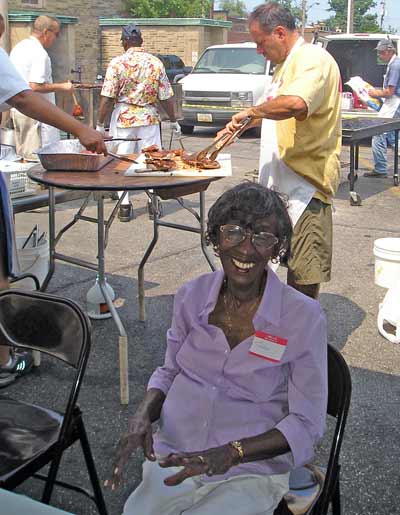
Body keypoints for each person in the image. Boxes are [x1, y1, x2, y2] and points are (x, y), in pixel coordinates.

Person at [105, 182, 327, 515]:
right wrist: (142, 416)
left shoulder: (303, 317)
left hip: (249, 472)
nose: (246, 250)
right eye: (233, 231)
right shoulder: (191, 296)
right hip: (176, 455)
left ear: (278, 248)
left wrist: (233, 452)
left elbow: (307, 422)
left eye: (263, 237)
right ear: (215, 236)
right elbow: (170, 371)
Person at [0, 13, 107, 387]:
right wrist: (81, 128)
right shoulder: (23, 53)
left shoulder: (17, 49)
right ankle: (3, 358)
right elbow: (24, 96)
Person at [221, 2, 341, 300]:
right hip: (278, 186)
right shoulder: (284, 67)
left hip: (306, 187)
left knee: (302, 274)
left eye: (261, 43)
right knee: (270, 264)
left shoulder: (314, 59)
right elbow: (273, 109)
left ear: (279, 33)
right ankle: (275, 332)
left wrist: (251, 111)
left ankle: (302, 336)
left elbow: (295, 104)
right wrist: (241, 123)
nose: (259, 51)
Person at [97, 24, 181, 222]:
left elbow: (107, 97)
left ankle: (124, 206)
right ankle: (153, 203)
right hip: (149, 118)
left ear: (124, 42)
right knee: (152, 160)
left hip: (124, 117)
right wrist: (174, 120)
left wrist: (100, 124)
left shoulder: (117, 63)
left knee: (124, 161)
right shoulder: (155, 63)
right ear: (141, 41)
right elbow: (166, 96)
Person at [9, 15, 74, 160]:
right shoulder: (39, 54)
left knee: (23, 156)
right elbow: (35, 86)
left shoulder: (19, 48)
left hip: (19, 111)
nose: (56, 39)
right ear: (46, 32)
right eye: (56, 34)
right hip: (36, 116)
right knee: (37, 160)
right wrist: (63, 86)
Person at [366, 39, 400, 178]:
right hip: (394, 103)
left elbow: (390, 92)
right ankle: (380, 167)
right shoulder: (393, 63)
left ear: (389, 51)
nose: (379, 55)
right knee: (393, 137)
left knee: (378, 134)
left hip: (395, 103)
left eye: (381, 52)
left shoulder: (395, 65)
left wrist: (374, 93)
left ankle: (380, 169)